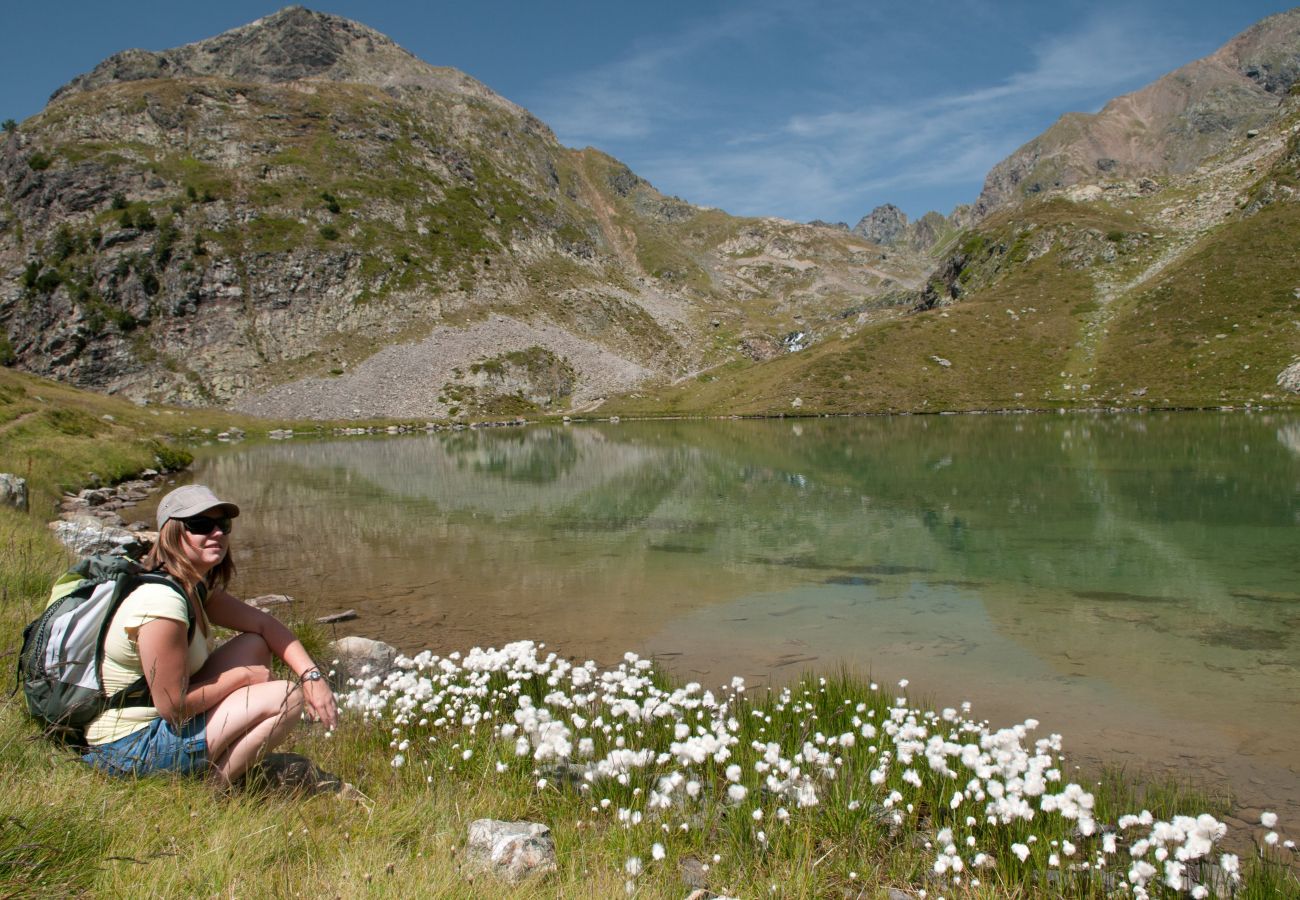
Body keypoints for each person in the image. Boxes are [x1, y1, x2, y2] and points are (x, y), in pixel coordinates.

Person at [82, 484, 338, 784]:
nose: (216, 533)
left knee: (255, 643)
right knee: (286, 698)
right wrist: (242, 677)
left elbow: (266, 626)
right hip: (127, 750)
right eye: (201, 525)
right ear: (171, 533)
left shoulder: (192, 587)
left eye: (223, 525)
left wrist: (312, 676)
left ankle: (221, 762)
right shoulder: (162, 604)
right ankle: (214, 790)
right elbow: (173, 708)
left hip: (151, 731)